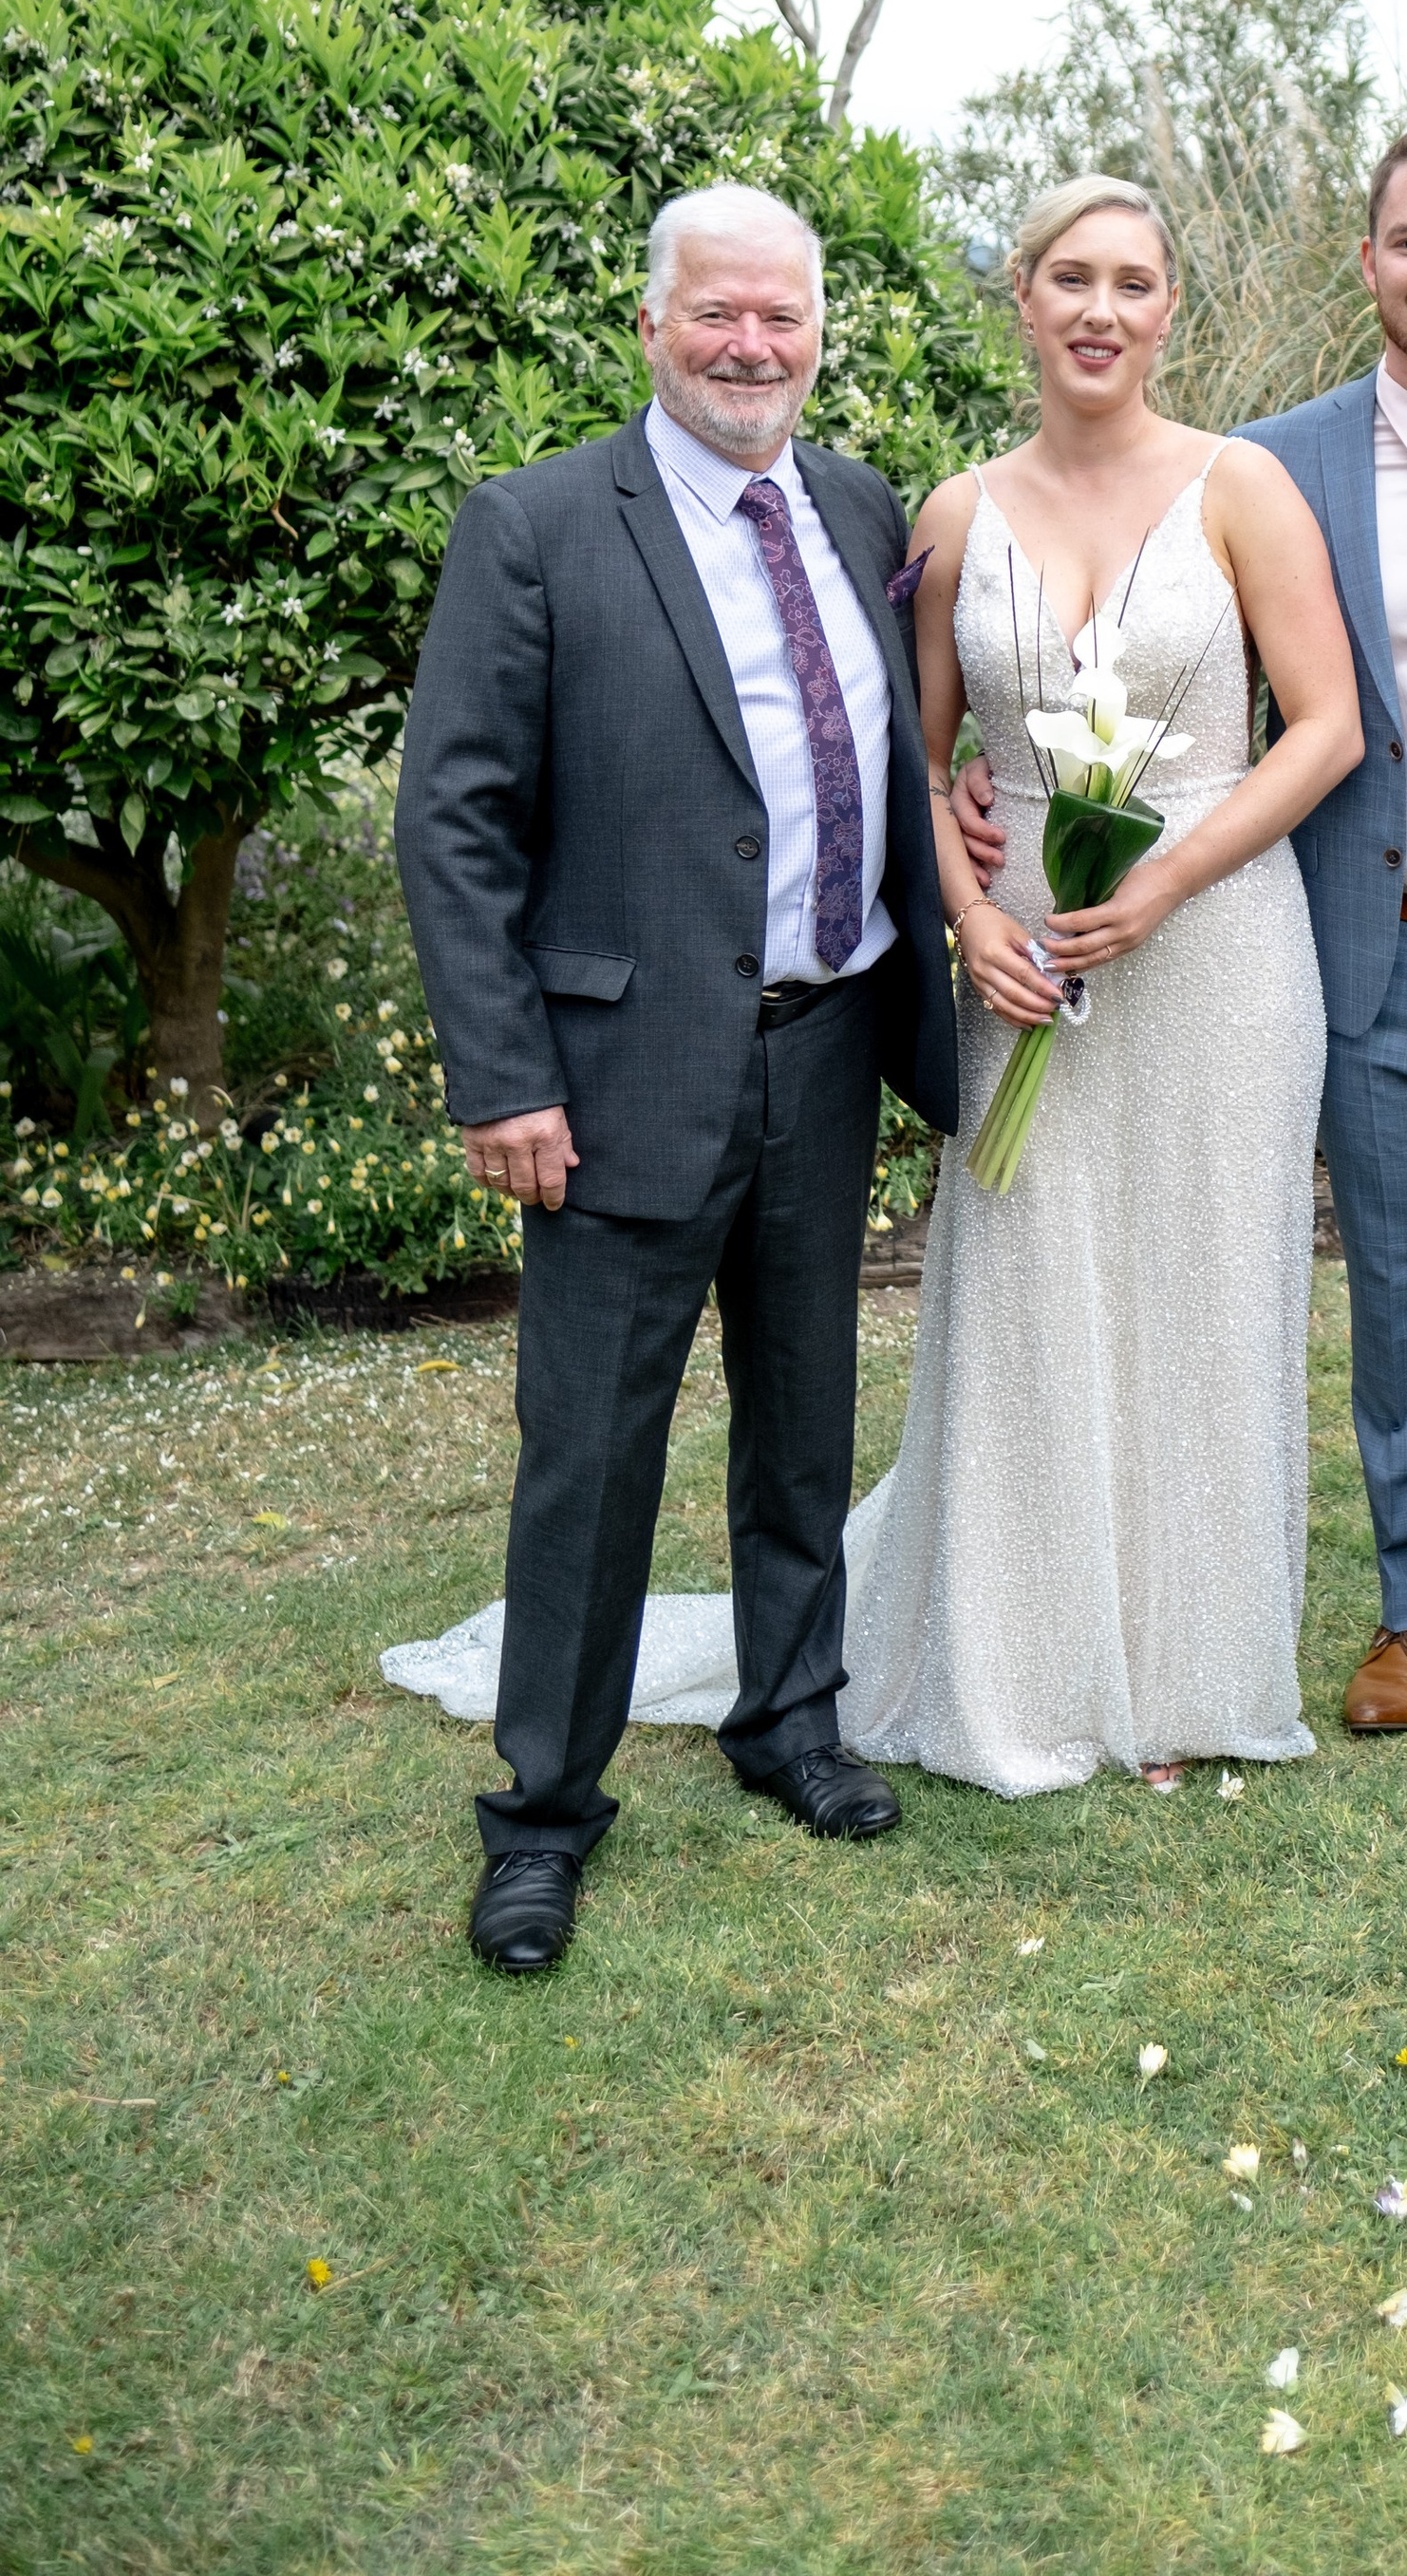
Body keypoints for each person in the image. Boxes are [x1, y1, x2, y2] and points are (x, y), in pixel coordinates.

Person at [960, 123, 1407, 1734]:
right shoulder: (1269, 464)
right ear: (1369, 261)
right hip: (1373, 943)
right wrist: (996, 810)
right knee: (1402, 1297)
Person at [394, 182, 957, 1974]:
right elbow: (454, 821)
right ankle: (544, 1815)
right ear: (653, 326)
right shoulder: (541, 525)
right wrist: (503, 1075)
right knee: (590, 1455)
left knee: (802, 1427)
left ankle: (791, 1721)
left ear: (817, 333)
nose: (751, 346)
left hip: (828, 1045)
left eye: (781, 317)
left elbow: (882, 755)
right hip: (616, 1075)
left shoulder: (859, 507)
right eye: (717, 314)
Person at [839, 174, 1361, 1795]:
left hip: (1212, 942)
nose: (1101, 311)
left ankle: (1188, 1674)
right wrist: (958, 915)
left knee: (1206, 1286)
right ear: (1023, 295)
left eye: (1135, 283)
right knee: (1032, 1278)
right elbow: (915, 760)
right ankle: (1028, 1665)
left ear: (1168, 310)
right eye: (1072, 277)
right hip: (1020, 953)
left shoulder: (1242, 485)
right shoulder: (950, 512)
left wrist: (1163, 881)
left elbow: (1328, 728)